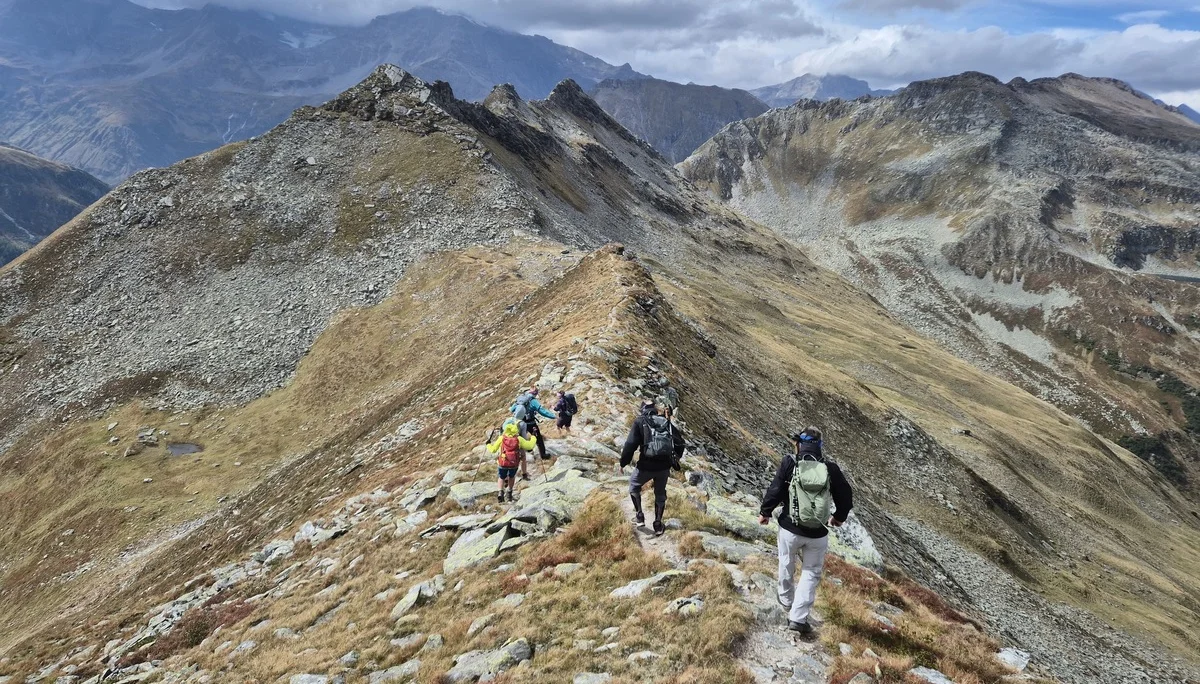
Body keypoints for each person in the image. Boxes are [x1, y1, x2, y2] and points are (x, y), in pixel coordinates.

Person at [758, 426, 853, 635]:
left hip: (789, 528)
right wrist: (838, 518)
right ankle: (798, 619)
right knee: (811, 573)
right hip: (817, 533)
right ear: (820, 445)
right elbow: (845, 496)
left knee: (786, 560)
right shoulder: (830, 468)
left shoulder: (790, 463)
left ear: (798, 444)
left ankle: (785, 599)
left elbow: (776, 489)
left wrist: (765, 512)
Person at [620, 397, 685, 536]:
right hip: (664, 467)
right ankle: (657, 524)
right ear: (655, 410)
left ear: (642, 410)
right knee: (660, 495)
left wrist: (623, 462)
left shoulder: (640, 422)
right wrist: (676, 458)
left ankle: (639, 516)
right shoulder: (665, 422)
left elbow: (630, 445)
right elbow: (680, 442)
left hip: (645, 466)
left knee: (634, 485)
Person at [487, 422, 536, 502]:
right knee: (511, 477)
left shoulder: (502, 438)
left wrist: (488, 444)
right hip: (514, 463)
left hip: (503, 462)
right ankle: (509, 493)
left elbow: (493, 450)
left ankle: (500, 493)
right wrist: (533, 437)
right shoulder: (518, 439)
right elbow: (530, 446)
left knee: (501, 477)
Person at [511, 387, 555, 471]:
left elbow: (512, 409)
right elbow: (542, 411)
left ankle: (527, 452)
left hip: (521, 423)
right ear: (535, 393)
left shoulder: (520, 399)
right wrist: (553, 416)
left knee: (523, 438)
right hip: (531, 423)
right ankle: (543, 454)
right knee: (539, 439)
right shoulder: (533, 401)